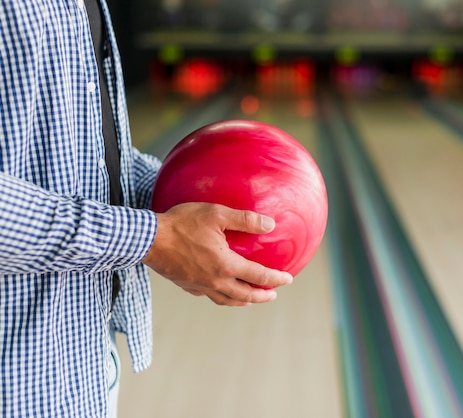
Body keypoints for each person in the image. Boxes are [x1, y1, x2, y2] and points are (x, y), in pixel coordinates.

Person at [0, 1, 293, 417]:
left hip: (81, 362)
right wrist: (154, 238)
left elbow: (81, 155)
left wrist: (187, 194)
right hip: (15, 379)